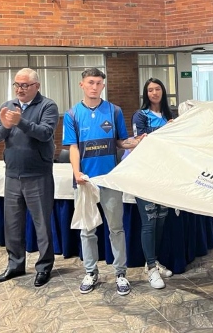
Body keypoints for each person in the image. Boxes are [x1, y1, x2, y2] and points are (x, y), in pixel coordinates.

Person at [63, 68, 144, 296]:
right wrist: (77, 173)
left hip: (110, 180)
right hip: (85, 182)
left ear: (103, 86)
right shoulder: (71, 114)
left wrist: (136, 142)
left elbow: (120, 143)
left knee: (116, 228)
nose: (94, 87)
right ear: (82, 85)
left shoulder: (114, 111)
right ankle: (90, 272)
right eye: (90, 82)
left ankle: (120, 274)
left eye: (99, 83)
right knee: (87, 230)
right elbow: (73, 147)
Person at [0, 68, 58, 288]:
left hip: (38, 174)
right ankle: (15, 265)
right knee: (12, 224)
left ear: (36, 86)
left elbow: (45, 133)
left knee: (41, 224)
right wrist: (6, 125)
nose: (20, 89)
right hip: (12, 175)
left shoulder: (48, 106)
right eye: (17, 85)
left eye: (25, 85)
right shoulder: (7, 106)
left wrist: (20, 122)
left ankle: (44, 267)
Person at [132, 78, 174, 289]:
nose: (154, 93)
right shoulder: (140, 115)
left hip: (164, 174)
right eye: (150, 90)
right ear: (145, 93)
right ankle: (150, 267)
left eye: (158, 89)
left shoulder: (169, 115)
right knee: (148, 221)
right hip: (144, 173)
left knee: (160, 220)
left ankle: (155, 261)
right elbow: (141, 140)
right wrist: (167, 130)